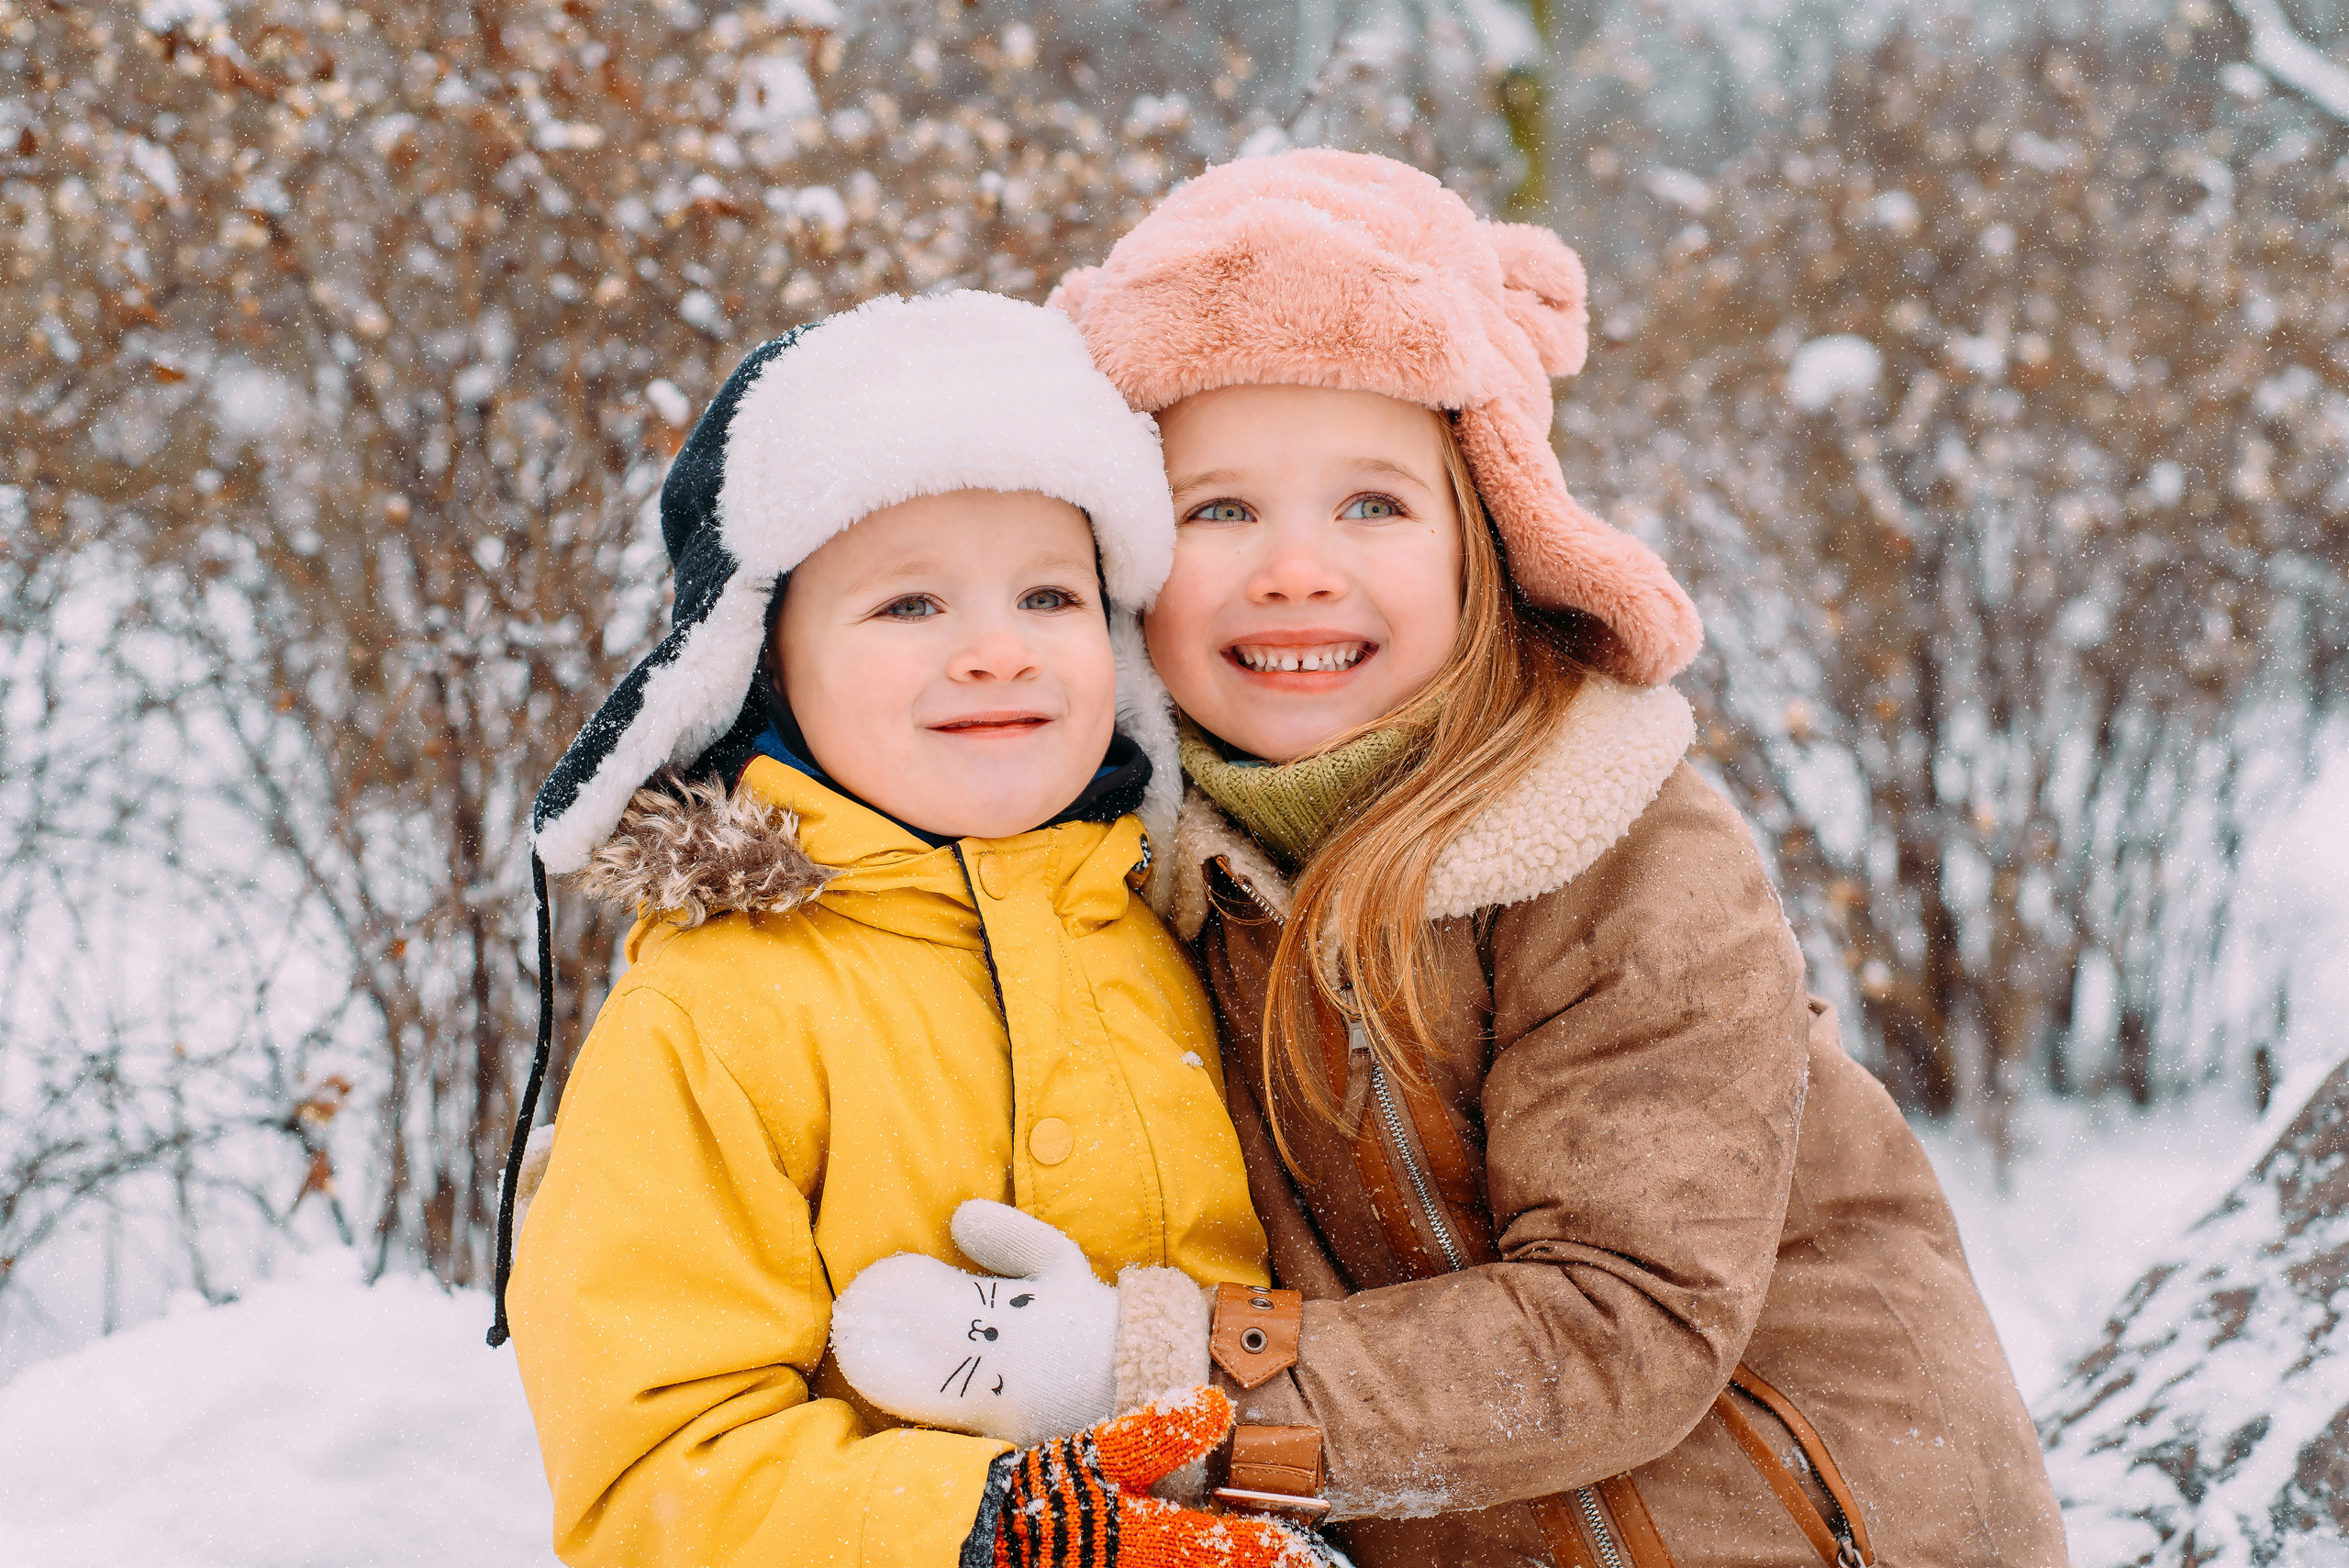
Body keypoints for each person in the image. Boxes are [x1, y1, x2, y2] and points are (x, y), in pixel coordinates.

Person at [835, 152, 2066, 1567]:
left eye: (1372, 504)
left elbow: (1628, 1319)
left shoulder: (1623, 854)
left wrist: (1155, 1369)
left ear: (1490, 538)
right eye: (1217, 509)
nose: (1294, 566)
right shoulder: (1136, 877)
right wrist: (720, 1156)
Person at [501, 291, 1336, 1568]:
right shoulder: (712, 1016)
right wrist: (984, 1528)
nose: (997, 652)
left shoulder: (1173, 940)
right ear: (766, 662)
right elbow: (657, 1476)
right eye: (909, 606)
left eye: (1051, 596)